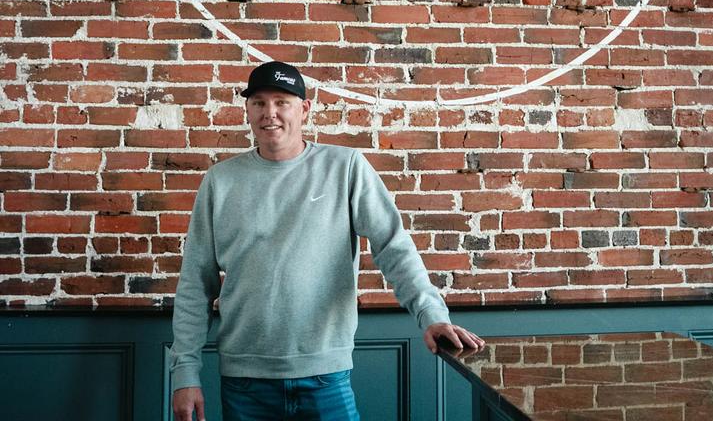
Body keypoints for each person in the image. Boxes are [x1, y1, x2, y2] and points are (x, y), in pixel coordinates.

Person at [170, 61, 484, 421]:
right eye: (258, 102)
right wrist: (185, 373)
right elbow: (195, 283)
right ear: (248, 110)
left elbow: (393, 247)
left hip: (325, 377)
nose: (269, 113)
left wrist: (432, 315)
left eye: (281, 102)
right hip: (244, 381)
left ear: (304, 109)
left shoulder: (345, 167)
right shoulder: (220, 181)